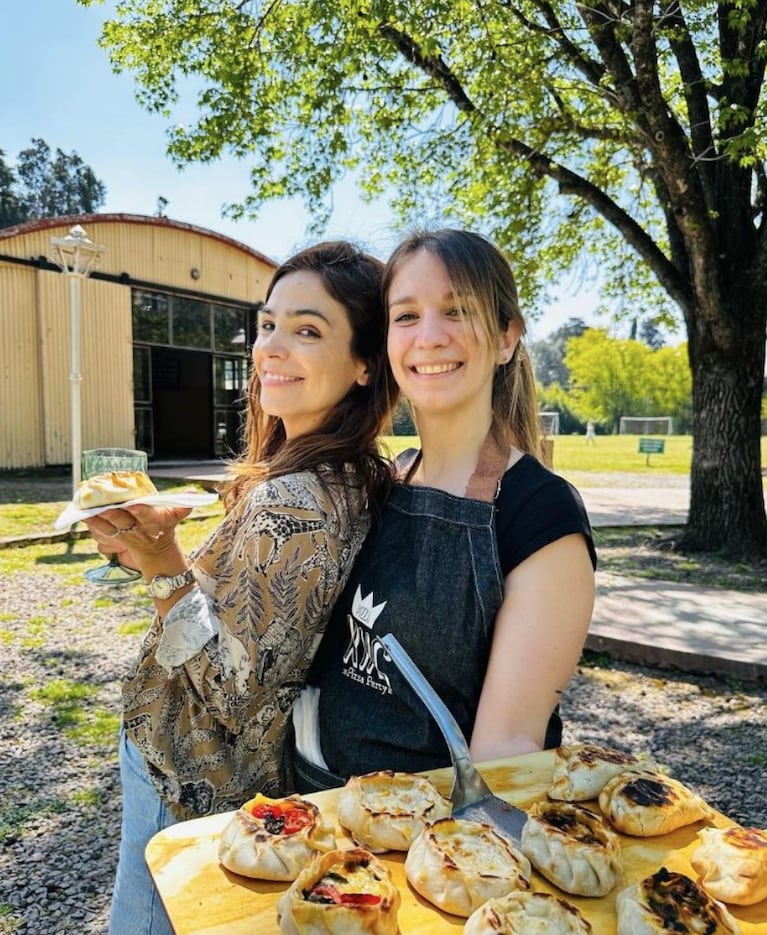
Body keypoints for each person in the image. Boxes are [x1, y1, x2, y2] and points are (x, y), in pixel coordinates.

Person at [84, 241, 395, 935]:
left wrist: (162, 561)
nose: (271, 348)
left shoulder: (296, 497)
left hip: (189, 768)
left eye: (307, 330)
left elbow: (231, 687)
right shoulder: (345, 473)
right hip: (224, 774)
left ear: (364, 363)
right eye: (267, 324)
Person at [292, 229, 596, 793]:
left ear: (507, 337)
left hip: (429, 849)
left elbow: (505, 758)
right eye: (406, 316)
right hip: (315, 814)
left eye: (456, 311)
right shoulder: (385, 481)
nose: (429, 337)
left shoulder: (539, 515)